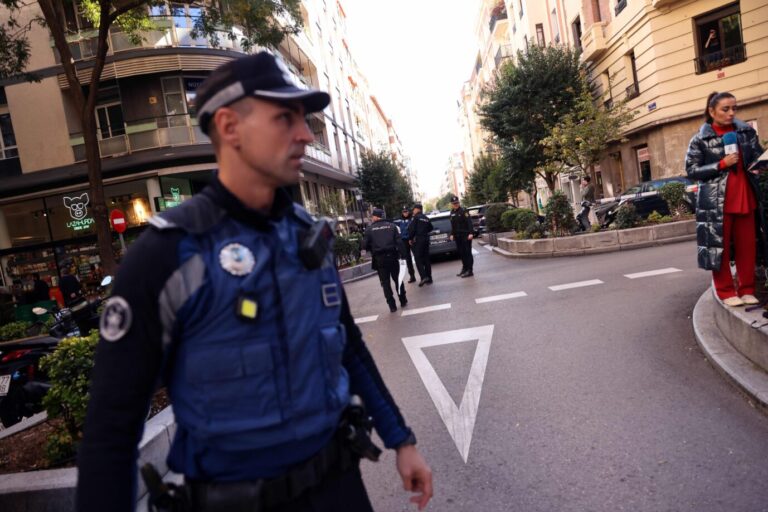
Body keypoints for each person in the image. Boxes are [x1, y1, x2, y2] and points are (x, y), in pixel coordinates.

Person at [76, 52, 432, 512]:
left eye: (304, 119)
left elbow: (349, 349)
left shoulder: (310, 237)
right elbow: (112, 428)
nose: (305, 133)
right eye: (285, 118)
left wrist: (401, 440)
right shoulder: (165, 255)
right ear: (229, 127)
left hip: (339, 489)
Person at [685, 91, 765, 307]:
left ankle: (747, 289)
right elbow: (691, 170)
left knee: (748, 246)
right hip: (716, 202)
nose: (731, 113)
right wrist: (721, 164)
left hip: (746, 196)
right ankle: (726, 290)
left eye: (734, 109)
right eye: (725, 109)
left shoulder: (746, 132)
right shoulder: (700, 139)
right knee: (718, 247)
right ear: (712, 112)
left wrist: (761, 164)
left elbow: (757, 156)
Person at [364, 208, 408, 312]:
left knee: (385, 283)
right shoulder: (392, 226)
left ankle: (392, 306)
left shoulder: (370, 229)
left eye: (372, 216)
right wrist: (404, 256)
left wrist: (371, 247)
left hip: (380, 259)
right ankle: (403, 300)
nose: (372, 218)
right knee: (398, 280)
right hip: (392, 257)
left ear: (375, 216)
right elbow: (399, 242)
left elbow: (364, 245)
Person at [407, 203, 434, 287]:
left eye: (414, 209)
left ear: (418, 209)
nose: (413, 211)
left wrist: (410, 239)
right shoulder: (426, 218)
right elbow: (431, 228)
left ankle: (423, 277)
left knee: (418, 258)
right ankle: (429, 278)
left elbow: (412, 229)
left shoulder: (416, 218)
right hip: (426, 239)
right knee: (426, 259)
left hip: (419, 240)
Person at [448, 196, 474, 278]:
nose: (456, 204)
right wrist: (452, 234)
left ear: (459, 203)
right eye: (454, 203)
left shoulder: (464, 211)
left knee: (467, 253)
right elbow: (453, 225)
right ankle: (465, 268)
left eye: (457, 203)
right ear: (451, 204)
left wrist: (471, 233)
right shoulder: (452, 212)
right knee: (462, 253)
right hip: (457, 236)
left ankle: (470, 270)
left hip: (465, 235)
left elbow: (469, 222)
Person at [393, 206, 417, 283]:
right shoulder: (400, 220)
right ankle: (412, 276)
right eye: (404, 212)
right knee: (408, 259)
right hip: (404, 241)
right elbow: (391, 222)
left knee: (417, 257)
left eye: (406, 211)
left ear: (408, 212)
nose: (405, 213)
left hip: (412, 239)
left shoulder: (412, 219)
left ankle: (423, 275)